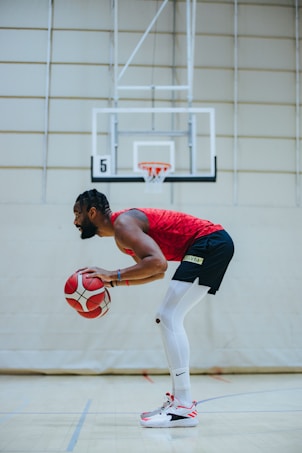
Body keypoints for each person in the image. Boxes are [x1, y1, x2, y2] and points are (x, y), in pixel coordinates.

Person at [73, 188, 234, 428]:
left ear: (92, 212)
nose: (75, 221)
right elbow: (156, 272)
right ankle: (180, 402)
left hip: (209, 242)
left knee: (168, 317)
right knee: (168, 317)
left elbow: (157, 263)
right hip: (209, 243)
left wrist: (112, 273)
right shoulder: (123, 235)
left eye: (77, 214)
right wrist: (112, 281)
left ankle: (183, 406)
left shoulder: (123, 226)